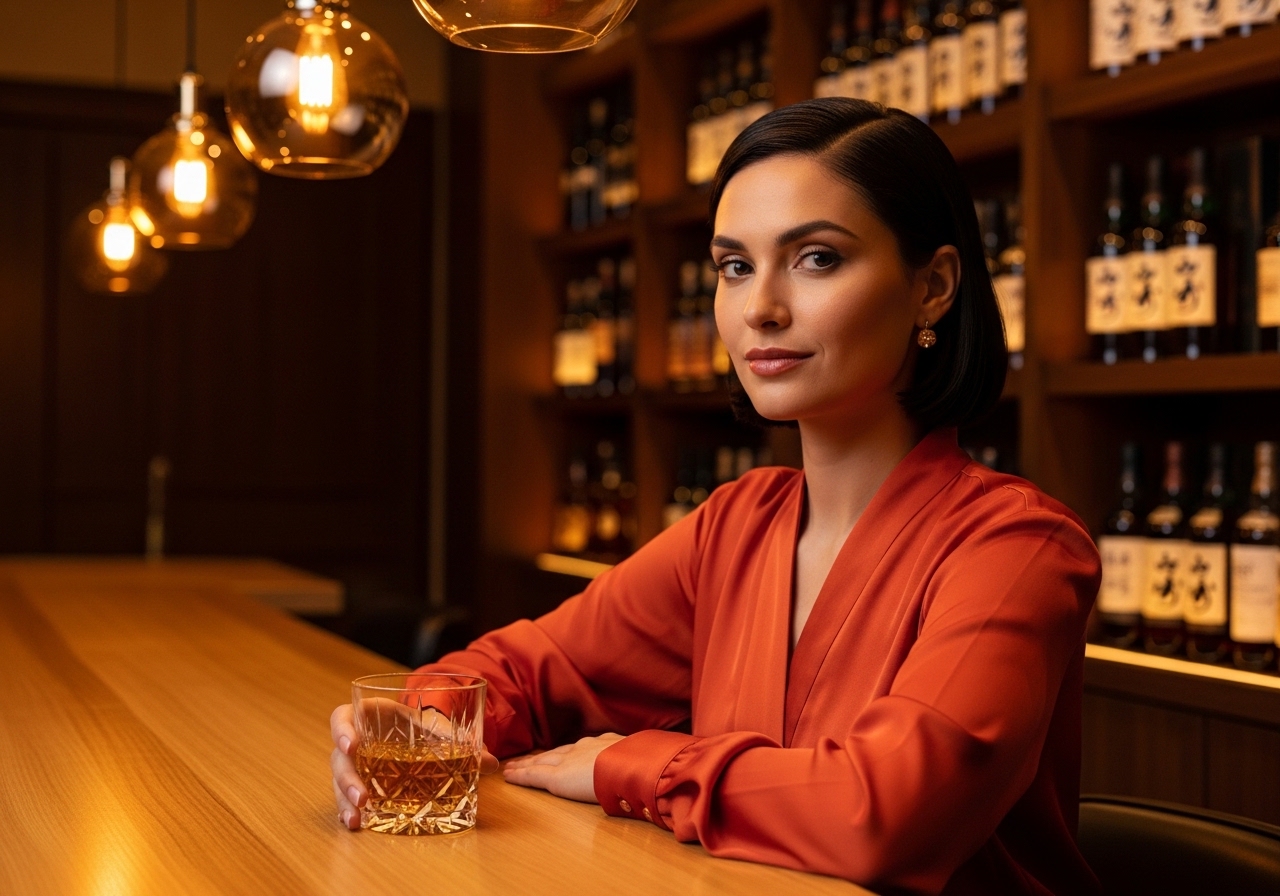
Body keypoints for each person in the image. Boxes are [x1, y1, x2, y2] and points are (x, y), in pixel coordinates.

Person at [329, 98, 1101, 896]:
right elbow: (520, 671)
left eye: (817, 259)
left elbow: (888, 814)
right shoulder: (737, 524)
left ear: (933, 286)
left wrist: (631, 766)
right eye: (735, 266)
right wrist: (417, 722)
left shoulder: (1019, 546)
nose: (760, 307)